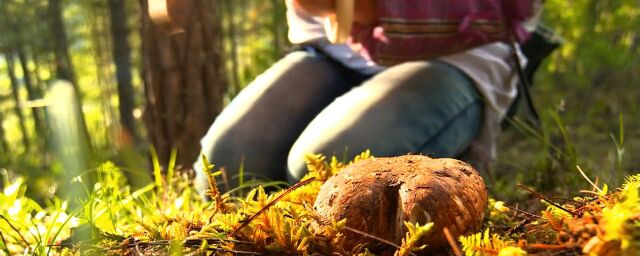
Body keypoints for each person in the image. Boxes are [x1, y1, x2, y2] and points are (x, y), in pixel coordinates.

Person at [194, 0, 537, 193]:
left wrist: (374, 9)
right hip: (334, 49)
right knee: (224, 169)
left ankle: (444, 177)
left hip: (458, 58)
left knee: (328, 172)